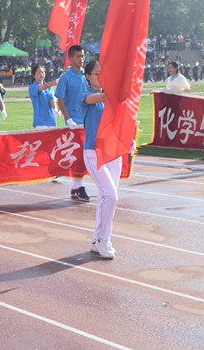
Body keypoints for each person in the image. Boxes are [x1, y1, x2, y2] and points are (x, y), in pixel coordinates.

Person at [79, 61, 135, 260]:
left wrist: (128, 140)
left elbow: (118, 122)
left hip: (112, 153)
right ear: (88, 76)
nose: (100, 77)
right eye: (96, 74)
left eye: (103, 74)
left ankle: (98, 240)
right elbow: (100, 97)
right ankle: (103, 240)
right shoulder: (85, 95)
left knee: (107, 197)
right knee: (110, 195)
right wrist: (118, 91)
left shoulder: (110, 98)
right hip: (94, 153)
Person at [55, 45, 90, 202]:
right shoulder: (65, 78)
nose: (81, 59)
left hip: (88, 119)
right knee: (79, 154)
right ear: (70, 58)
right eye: (78, 56)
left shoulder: (87, 76)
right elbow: (60, 100)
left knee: (84, 154)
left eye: (82, 56)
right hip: (74, 121)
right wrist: (68, 119)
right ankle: (79, 186)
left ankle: (76, 187)